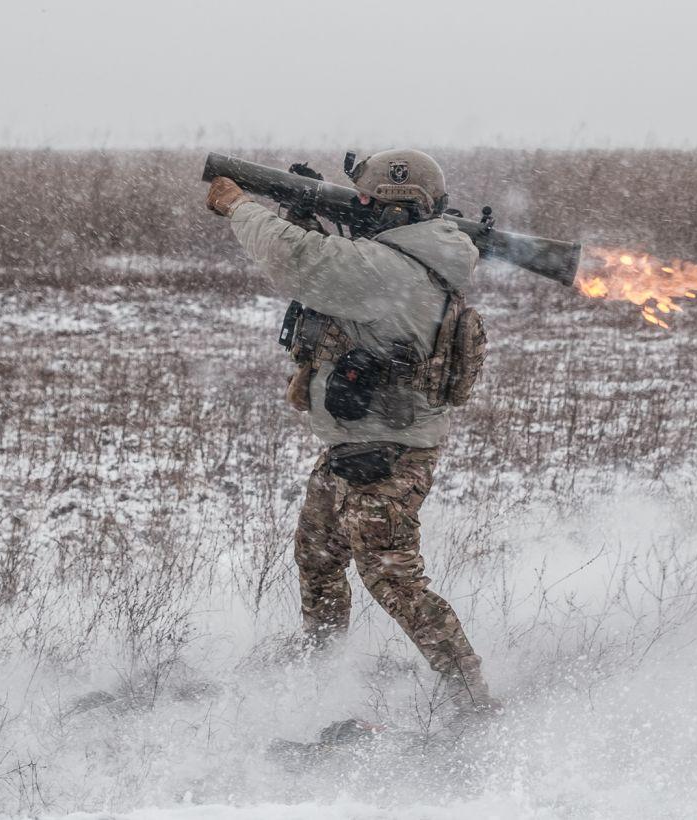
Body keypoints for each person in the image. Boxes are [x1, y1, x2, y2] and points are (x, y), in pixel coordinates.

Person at [206, 150, 498, 716]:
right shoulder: (406, 258)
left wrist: (240, 206)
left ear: (394, 211)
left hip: (389, 456)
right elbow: (329, 265)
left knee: (393, 581)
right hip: (357, 445)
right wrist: (302, 213)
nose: (358, 205)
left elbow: (303, 263)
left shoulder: (390, 269)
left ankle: (472, 699)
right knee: (316, 557)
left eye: (367, 200)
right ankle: (325, 670)